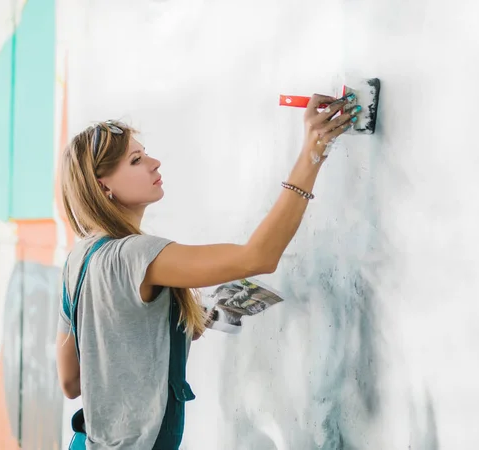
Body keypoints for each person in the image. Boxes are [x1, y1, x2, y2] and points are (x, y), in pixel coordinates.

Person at [56, 93, 360, 449]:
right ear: (103, 185)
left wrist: (178, 325)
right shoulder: (135, 255)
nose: (154, 163)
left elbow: (72, 381)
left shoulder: (78, 261)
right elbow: (259, 257)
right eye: (136, 160)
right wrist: (314, 149)